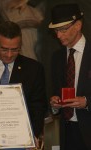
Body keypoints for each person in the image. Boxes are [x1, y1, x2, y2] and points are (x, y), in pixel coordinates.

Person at [49, 3, 91, 150]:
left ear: (78, 25)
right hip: (66, 132)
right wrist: (54, 103)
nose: (58, 35)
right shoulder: (57, 57)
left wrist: (86, 102)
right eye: (56, 31)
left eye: (62, 30)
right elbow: (55, 91)